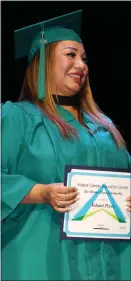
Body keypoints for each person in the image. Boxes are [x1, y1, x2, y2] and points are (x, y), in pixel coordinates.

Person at [2, 10, 131, 281]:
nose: (81, 64)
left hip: (110, 259)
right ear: (44, 62)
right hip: (41, 256)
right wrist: (40, 192)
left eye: (84, 58)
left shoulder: (104, 127)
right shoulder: (18, 118)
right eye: (71, 55)